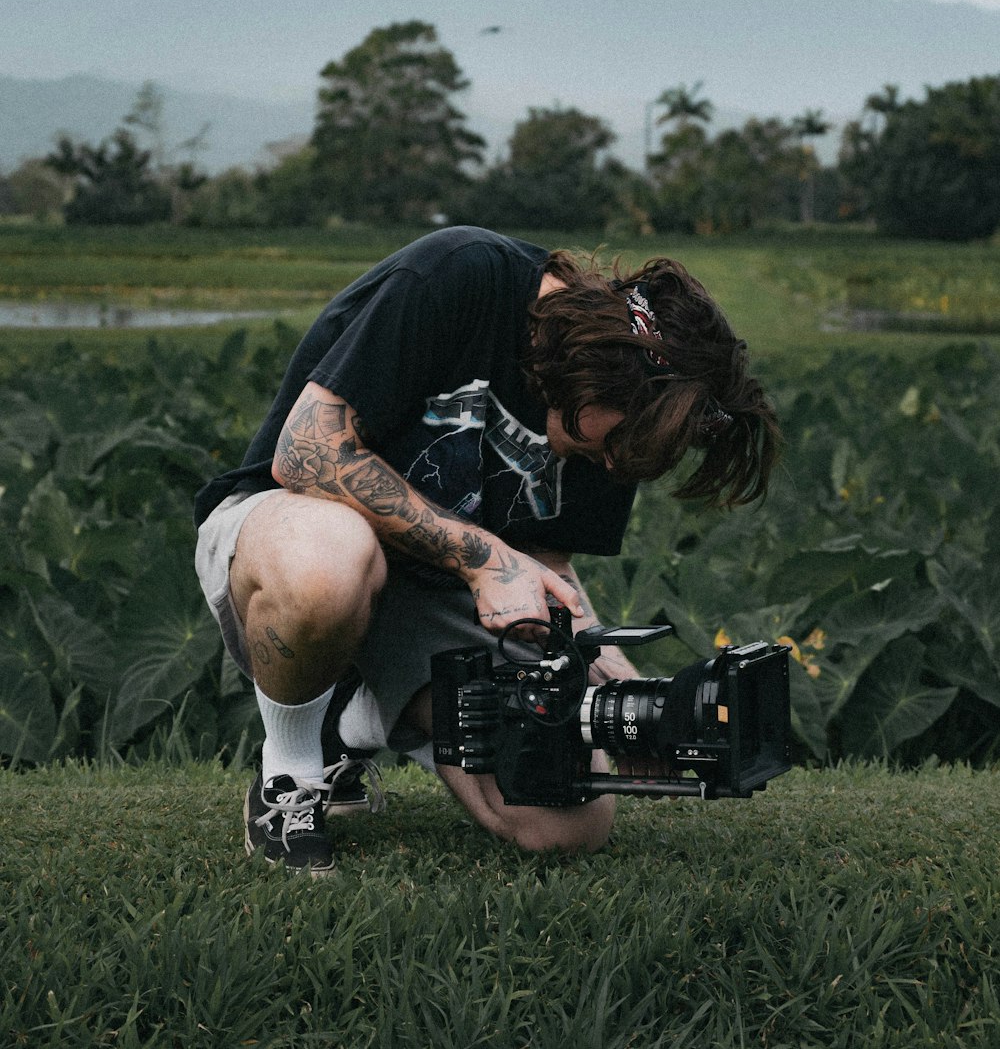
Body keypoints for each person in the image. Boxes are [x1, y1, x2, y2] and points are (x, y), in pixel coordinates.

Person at [193, 225, 779, 871]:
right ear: (602, 367)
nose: (613, 463)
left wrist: (634, 701)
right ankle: (290, 771)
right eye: (619, 440)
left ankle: (349, 719)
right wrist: (481, 558)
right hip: (291, 527)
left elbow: (548, 559)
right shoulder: (460, 274)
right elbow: (306, 450)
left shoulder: (618, 428)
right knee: (333, 557)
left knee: (565, 819)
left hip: (437, 589)